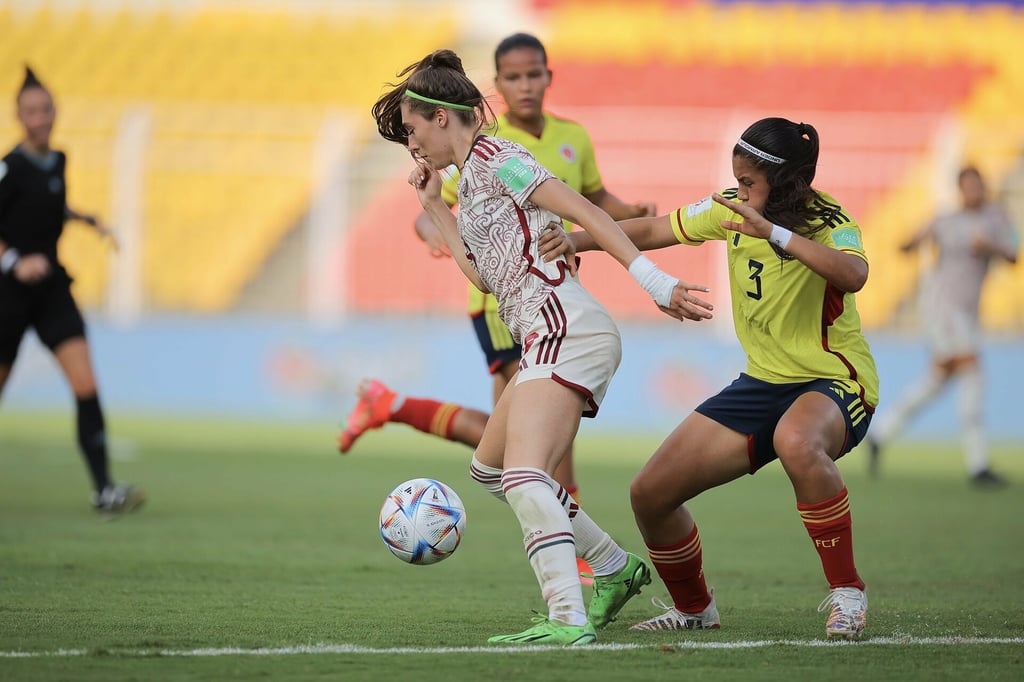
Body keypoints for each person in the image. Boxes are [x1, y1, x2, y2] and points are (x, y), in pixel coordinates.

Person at [370, 49, 712, 645]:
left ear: (443, 117)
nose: (413, 145)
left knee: (525, 474)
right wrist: (433, 207)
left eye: (414, 129)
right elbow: (483, 277)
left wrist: (656, 284)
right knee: (490, 468)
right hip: (546, 334)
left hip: (566, 328)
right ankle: (612, 567)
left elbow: (585, 212)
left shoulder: (501, 159)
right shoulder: (469, 180)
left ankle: (566, 617)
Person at [544, 117, 878, 640]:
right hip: (762, 384)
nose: (739, 192)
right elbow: (656, 230)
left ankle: (848, 593)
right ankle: (695, 609)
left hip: (833, 382)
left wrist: (775, 234)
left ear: (786, 182)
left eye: (749, 183)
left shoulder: (828, 218)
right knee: (650, 493)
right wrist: (577, 240)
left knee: (797, 441)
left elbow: (854, 274)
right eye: (737, 181)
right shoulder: (730, 210)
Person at [340, 35, 655, 560]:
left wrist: (633, 222)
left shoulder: (544, 142)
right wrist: (434, 226)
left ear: (549, 76)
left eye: (534, 75)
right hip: (501, 310)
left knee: (522, 454)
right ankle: (591, 566)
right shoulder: (476, 144)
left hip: (549, 307)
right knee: (525, 454)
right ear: (498, 84)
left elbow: (591, 201)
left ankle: (587, 575)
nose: (525, 85)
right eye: (513, 77)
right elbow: (447, 221)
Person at [0, 66, 143, 515]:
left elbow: (47, 204)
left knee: (86, 384)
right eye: (31, 111)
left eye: (46, 109)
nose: (40, 117)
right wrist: (14, 261)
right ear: (18, 116)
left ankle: (104, 489)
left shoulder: (58, 160)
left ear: (55, 111)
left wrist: (85, 220)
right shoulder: (8, 167)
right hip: (8, 294)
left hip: (51, 291)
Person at [866, 166, 1018, 487]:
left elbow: (1013, 254)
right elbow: (908, 244)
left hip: (968, 311)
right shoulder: (947, 221)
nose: (973, 191)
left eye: (978, 185)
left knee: (938, 379)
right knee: (973, 372)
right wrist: (910, 242)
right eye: (967, 186)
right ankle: (978, 465)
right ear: (960, 190)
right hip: (943, 308)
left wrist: (990, 246)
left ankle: (880, 434)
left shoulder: (997, 219)